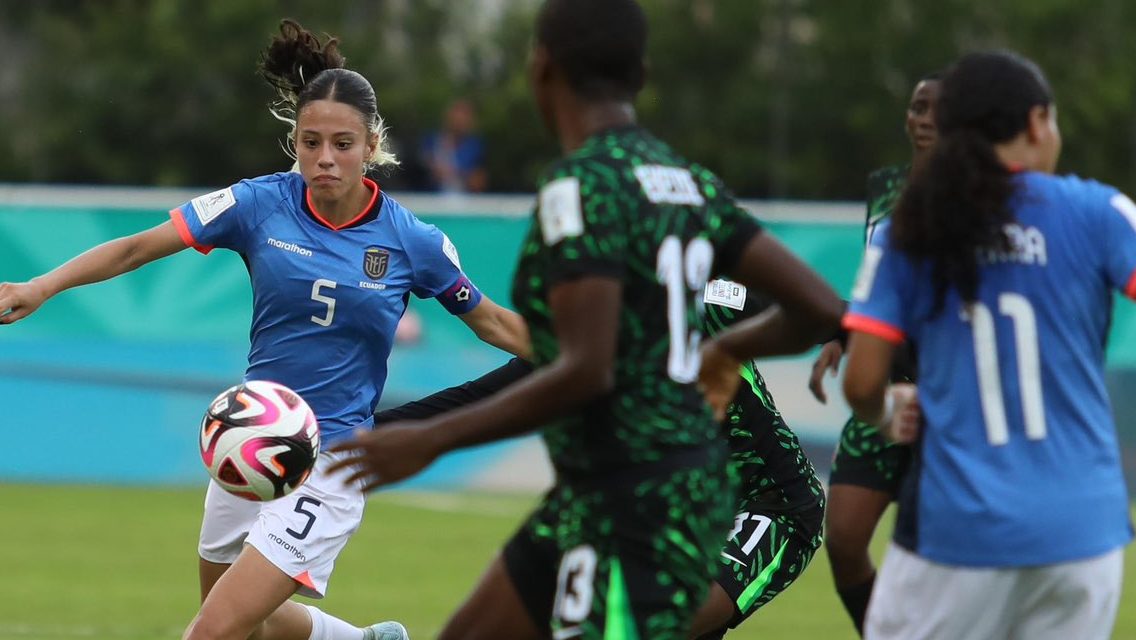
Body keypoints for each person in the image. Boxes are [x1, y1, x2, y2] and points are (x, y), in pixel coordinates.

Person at [0, 19, 529, 640]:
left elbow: (489, 320)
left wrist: (583, 353)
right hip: (249, 439)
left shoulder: (412, 240)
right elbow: (138, 248)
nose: (324, 159)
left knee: (210, 632)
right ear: (294, 143)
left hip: (333, 459)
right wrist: (40, 287)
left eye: (342, 143)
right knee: (258, 623)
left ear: (371, 144)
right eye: (310, 143)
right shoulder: (258, 204)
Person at [330, 1, 845, 638]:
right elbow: (821, 308)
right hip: (603, 493)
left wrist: (431, 440)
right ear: (643, 74)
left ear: (542, 69)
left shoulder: (579, 191)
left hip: (684, 504)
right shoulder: (686, 185)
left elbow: (584, 371)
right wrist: (723, 353)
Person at [841, 50, 1136, 639]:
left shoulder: (909, 227)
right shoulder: (1096, 210)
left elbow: (860, 382)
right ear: (1037, 122)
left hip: (956, 530)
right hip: (1082, 533)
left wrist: (887, 412)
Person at [372, 283, 827, 640]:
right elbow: (480, 399)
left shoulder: (702, 302)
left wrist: (884, 349)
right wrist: (358, 429)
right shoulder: (576, 344)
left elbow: (819, 311)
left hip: (769, 507)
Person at [807, 71, 939, 635]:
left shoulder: (979, 198)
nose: (924, 117)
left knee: (936, 557)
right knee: (843, 539)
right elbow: (876, 287)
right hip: (881, 390)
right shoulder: (886, 190)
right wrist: (844, 336)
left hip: (946, 401)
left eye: (938, 108)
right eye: (916, 106)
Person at [421, 99, 488, 194]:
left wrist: (455, 173)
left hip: (465, 201)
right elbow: (424, 167)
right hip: (431, 199)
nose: (460, 121)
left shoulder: (475, 147)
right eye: (457, 116)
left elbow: (478, 182)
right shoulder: (431, 142)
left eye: (465, 116)